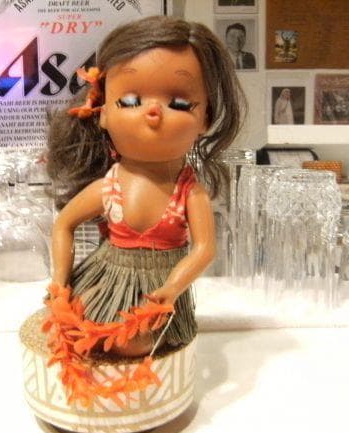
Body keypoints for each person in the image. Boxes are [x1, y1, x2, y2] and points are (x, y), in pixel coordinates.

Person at [47, 16, 244, 358]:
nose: (153, 111)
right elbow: (64, 224)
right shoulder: (109, 185)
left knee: (133, 340)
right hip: (106, 275)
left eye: (179, 103)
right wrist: (60, 281)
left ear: (205, 119)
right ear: (102, 112)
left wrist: (173, 287)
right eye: (129, 101)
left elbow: (204, 249)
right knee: (73, 325)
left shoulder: (189, 192)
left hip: (157, 288)